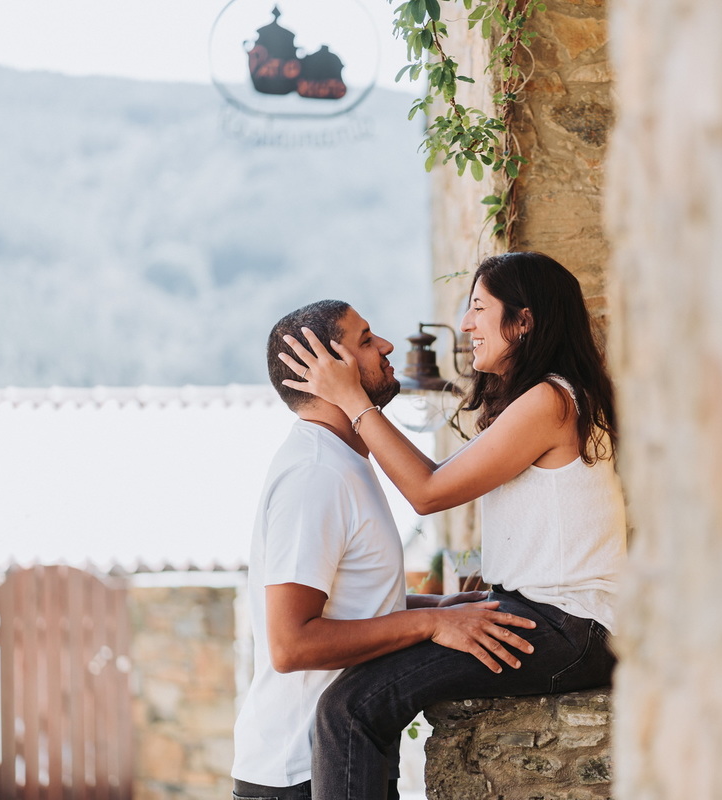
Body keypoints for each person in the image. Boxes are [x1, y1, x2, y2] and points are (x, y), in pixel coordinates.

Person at [278, 251, 627, 800]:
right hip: (555, 619)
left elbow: (428, 492)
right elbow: (442, 481)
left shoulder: (552, 400)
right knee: (356, 700)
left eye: (479, 308)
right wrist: (449, 607)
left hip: (572, 628)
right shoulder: (544, 398)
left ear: (523, 321)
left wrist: (351, 399)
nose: (465, 324)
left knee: (350, 709)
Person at [231, 300, 538, 800]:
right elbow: (292, 644)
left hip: (344, 760)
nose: (387, 346)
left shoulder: (344, 459)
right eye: (367, 340)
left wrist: (441, 606)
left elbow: (350, 603)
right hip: (300, 773)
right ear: (329, 367)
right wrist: (430, 624)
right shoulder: (315, 474)